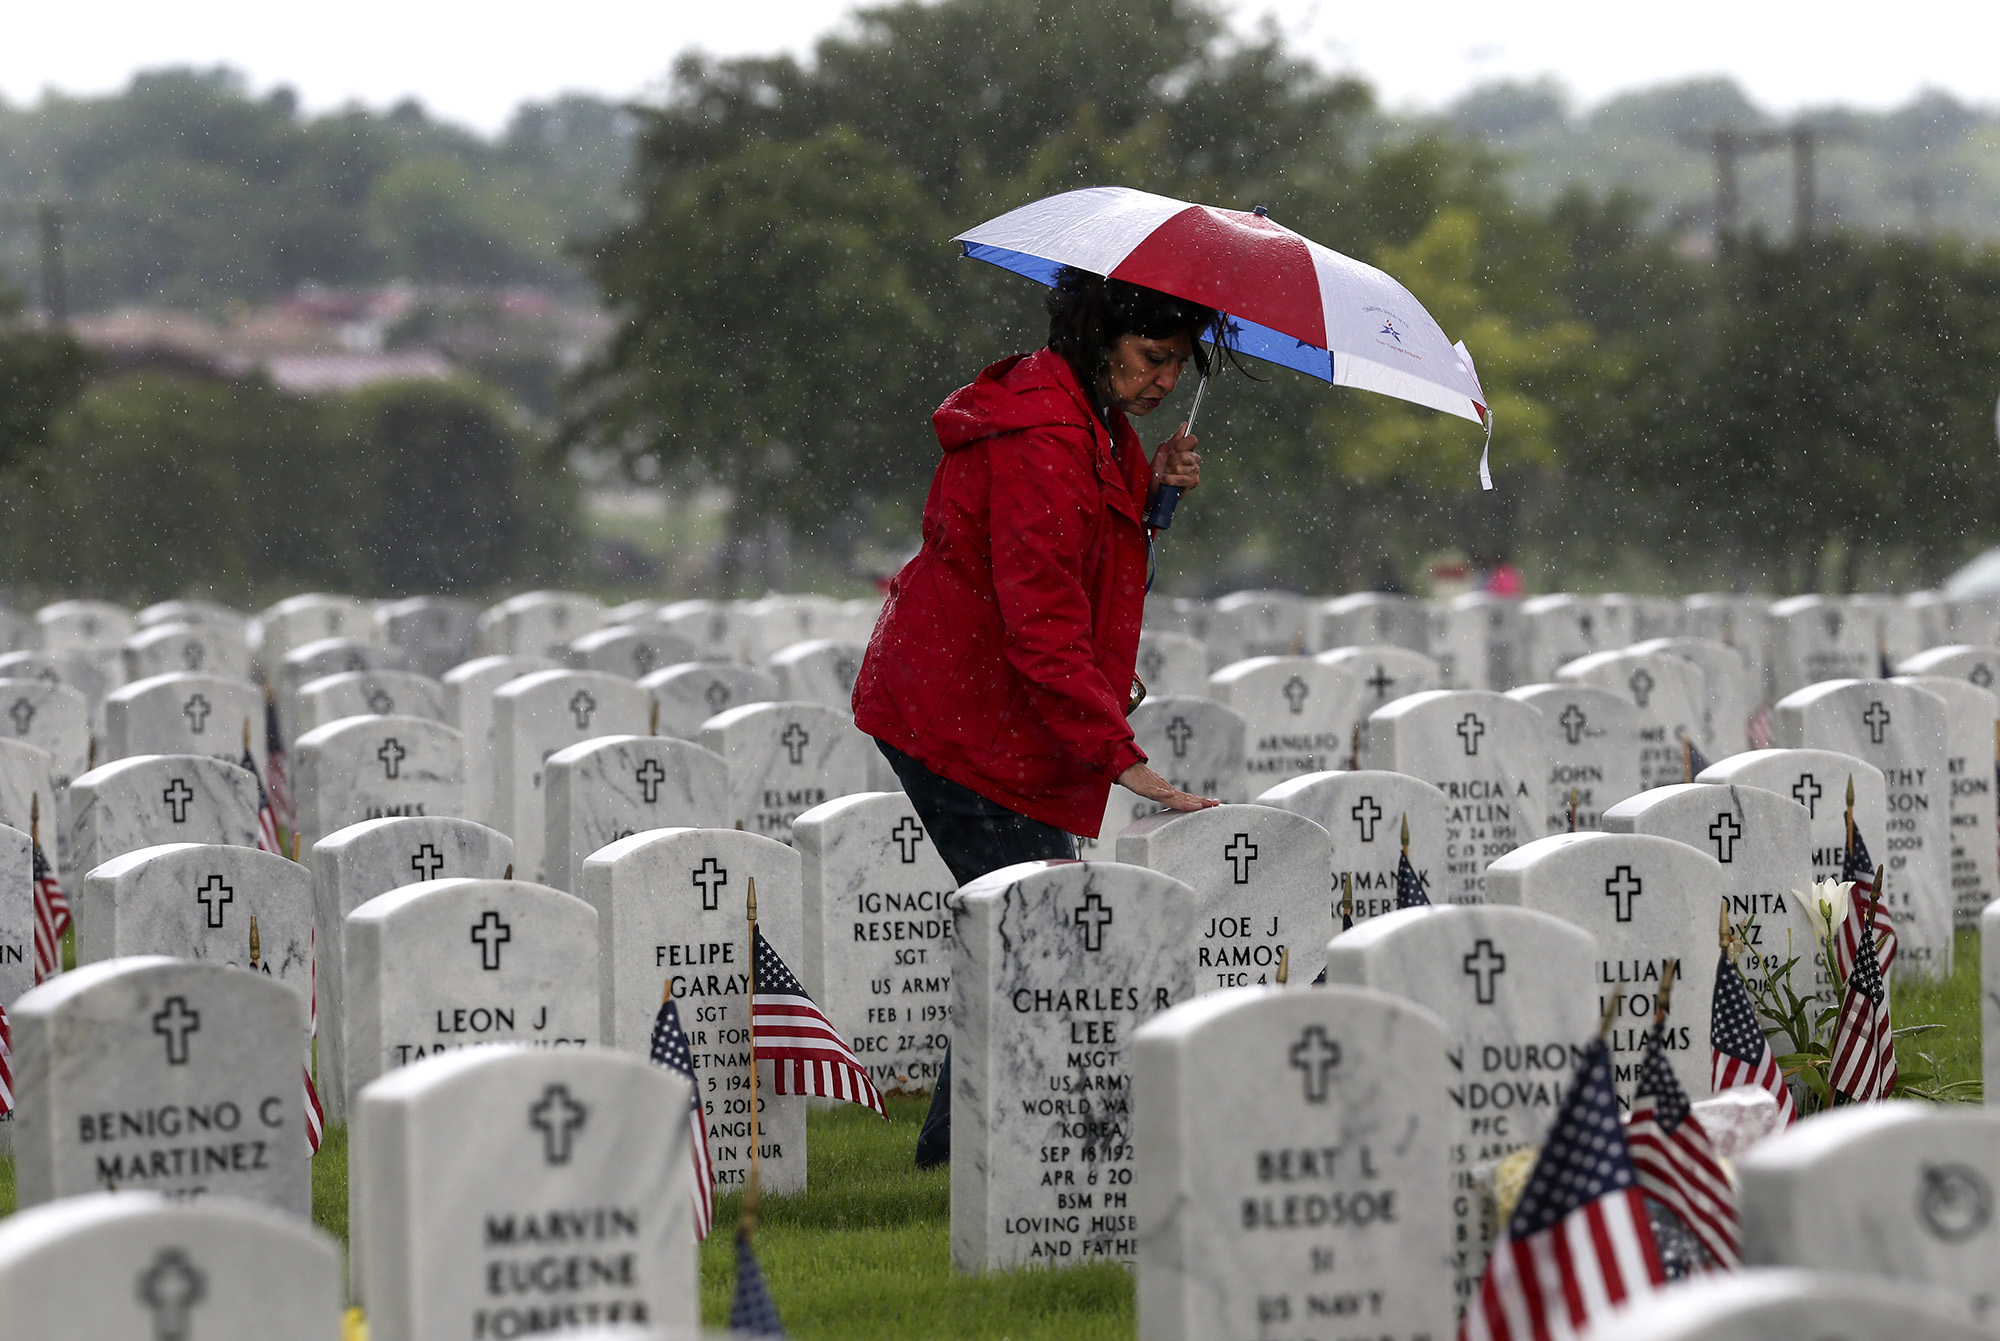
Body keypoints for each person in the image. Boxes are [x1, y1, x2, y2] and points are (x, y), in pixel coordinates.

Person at [851, 267, 1230, 1166]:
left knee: (1027, 925)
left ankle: (954, 1153)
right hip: (952, 710)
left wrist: (1159, 495)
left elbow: (1099, 536)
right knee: (1033, 926)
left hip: (1005, 713)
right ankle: (959, 1156)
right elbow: (1043, 616)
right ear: (1101, 339)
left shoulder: (1092, 423)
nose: (1164, 383)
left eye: (1178, 364)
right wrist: (1121, 756)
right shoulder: (1043, 435)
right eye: (1151, 358)